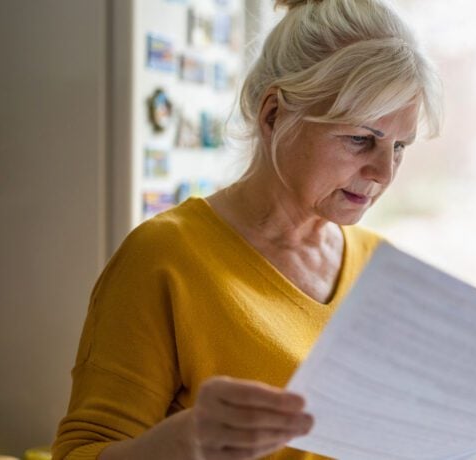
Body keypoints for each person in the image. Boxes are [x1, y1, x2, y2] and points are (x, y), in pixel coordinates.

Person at [52, 0, 441, 458]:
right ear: (273, 113)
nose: (383, 172)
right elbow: (80, 452)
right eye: (360, 139)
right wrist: (185, 442)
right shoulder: (165, 257)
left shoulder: (381, 265)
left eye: (399, 147)